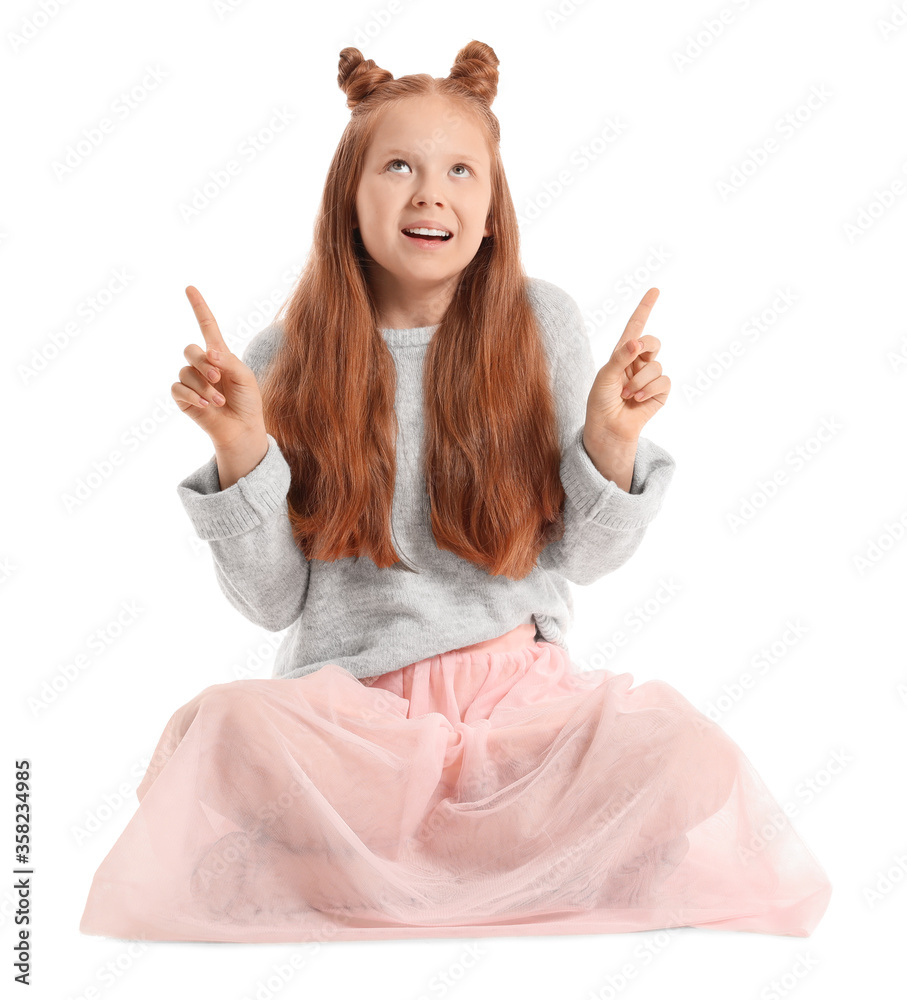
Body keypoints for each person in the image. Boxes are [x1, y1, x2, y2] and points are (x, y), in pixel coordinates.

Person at [79, 40, 831, 944]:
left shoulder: (539, 325)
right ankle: (499, 866)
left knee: (687, 758)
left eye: (459, 171)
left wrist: (610, 441)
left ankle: (371, 871)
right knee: (217, 731)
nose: (429, 193)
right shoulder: (283, 358)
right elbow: (272, 602)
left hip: (518, 718)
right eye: (398, 166)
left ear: (490, 210)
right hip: (352, 725)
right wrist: (241, 450)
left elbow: (584, 558)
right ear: (348, 199)